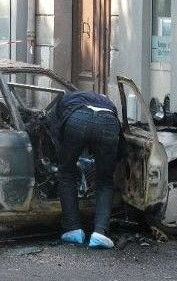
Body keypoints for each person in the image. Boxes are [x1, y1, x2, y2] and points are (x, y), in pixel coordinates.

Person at [46, 90, 122, 249]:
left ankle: (73, 230)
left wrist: (62, 156)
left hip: (77, 120)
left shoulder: (64, 100)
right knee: (105, 181)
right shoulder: (107, 102)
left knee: (66, 174)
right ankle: (100, 233)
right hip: (108, 122)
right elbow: (117, 139)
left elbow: (53, 130)